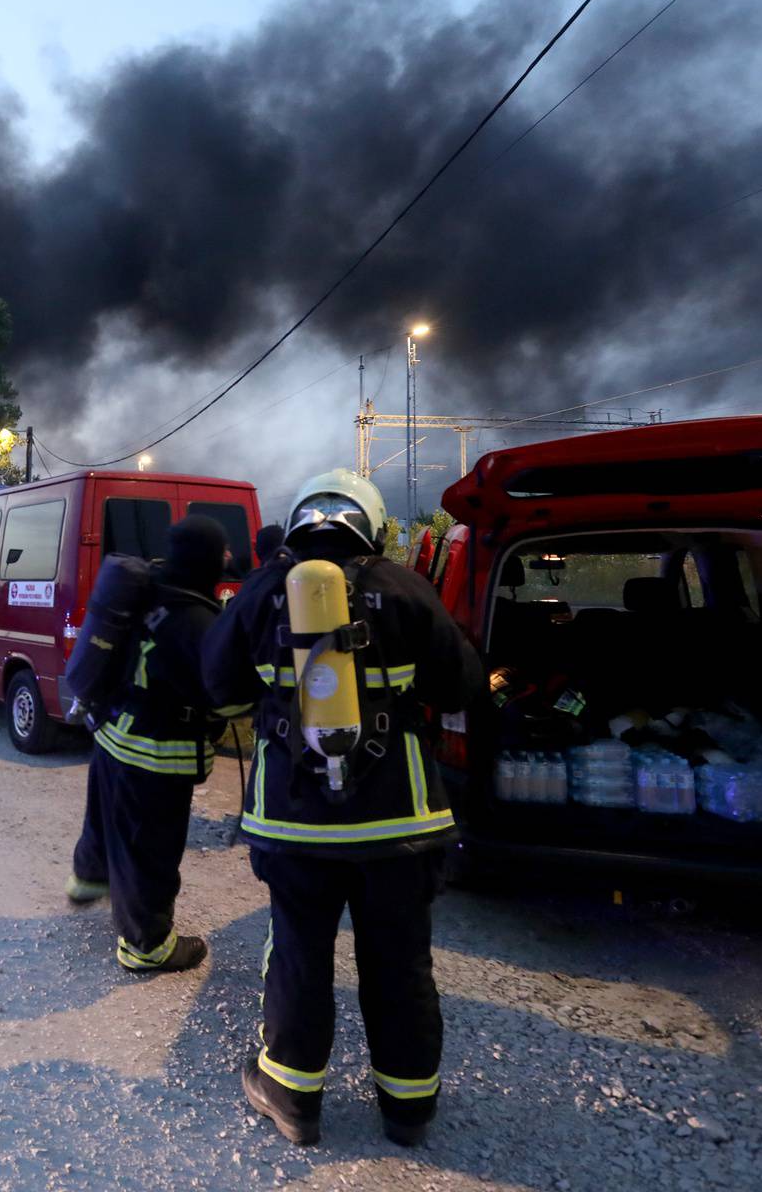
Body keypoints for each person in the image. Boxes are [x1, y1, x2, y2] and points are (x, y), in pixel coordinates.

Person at [203, 470, 480, 1149]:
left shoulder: (263, 591)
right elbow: (463, 686)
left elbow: (219, 690)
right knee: (400, 960)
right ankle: (408, 1110)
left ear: (298, 519)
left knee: (300, 953)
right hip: (400, 825)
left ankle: (293, 1097)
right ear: (374, 524)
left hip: (293, 824)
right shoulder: (404, 587)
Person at [68, 515, 251, 974]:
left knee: (105, 818)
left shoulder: (145, 595)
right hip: (156, 754)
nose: (227, 558)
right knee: (151, 850)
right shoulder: (200, 621)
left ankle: (89, 879)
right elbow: (227, 704)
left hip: (112, 734)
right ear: (209, 559)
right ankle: (147, 945)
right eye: (222, 552)